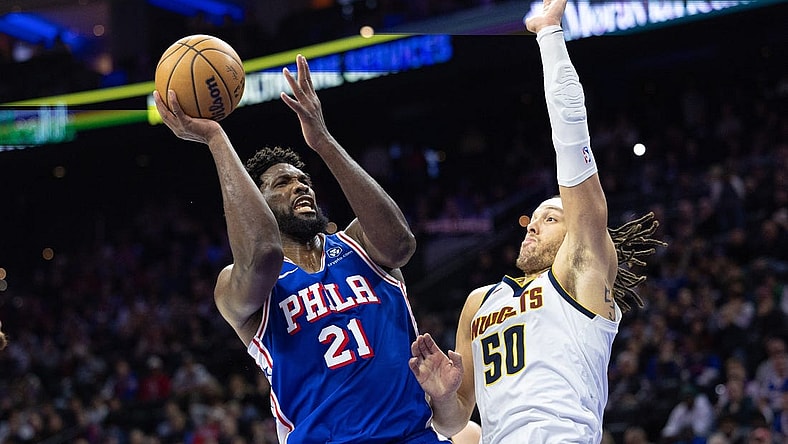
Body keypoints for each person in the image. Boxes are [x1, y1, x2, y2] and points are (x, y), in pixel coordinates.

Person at [153, 54, 449, 443]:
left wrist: (323, 141)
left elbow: (400, 245)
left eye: (302, 179)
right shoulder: (236, 284)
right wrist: (215, 138)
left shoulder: (358, 242)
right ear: (257, 203)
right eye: (281, 184)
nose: (300, 186)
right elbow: (263, 254)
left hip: (412, 436)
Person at [408, 0, 665, 442]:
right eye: (536, 217)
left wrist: (549, 35)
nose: (533, 224)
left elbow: (571, 144)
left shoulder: (581, 275)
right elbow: (453, 423)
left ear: (576, 236)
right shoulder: (478, 303)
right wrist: (444, 397)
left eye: (551, 217)